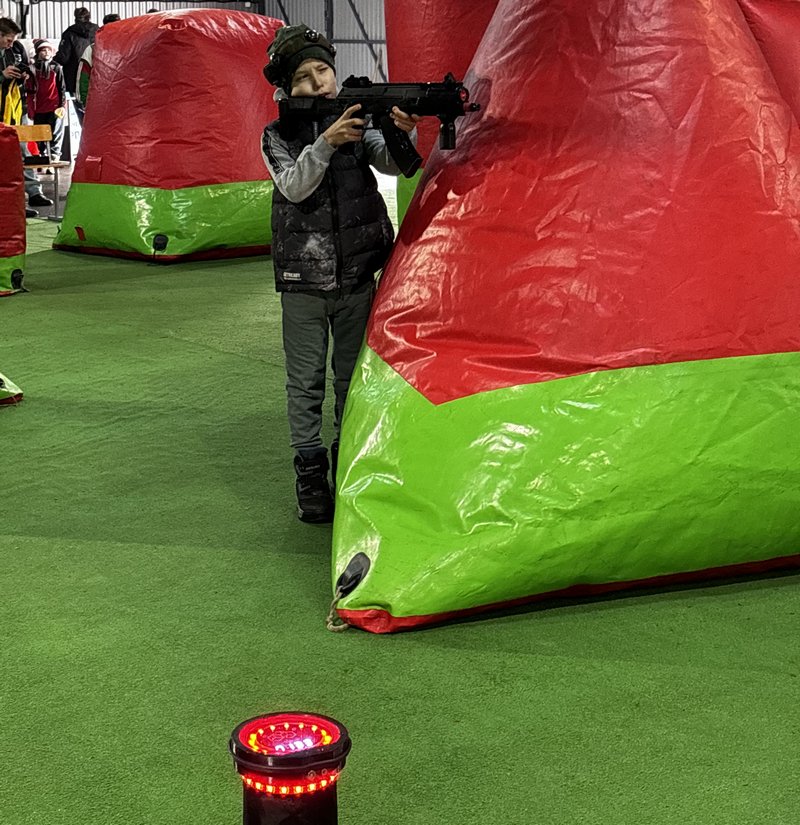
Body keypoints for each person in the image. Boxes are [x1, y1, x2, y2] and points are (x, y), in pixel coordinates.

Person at [261, 24, 420, 523]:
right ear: (286, 88)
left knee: (352, 381)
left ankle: (346, 459)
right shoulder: (276, 135)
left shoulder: (355, 120)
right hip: (303, 285)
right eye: (304, 78)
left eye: (323, 72)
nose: (319, 84)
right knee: (306, 382)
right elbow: (294, 186)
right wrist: (326, 143)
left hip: (357, 278)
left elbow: (392, 164)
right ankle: (310, 471)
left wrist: (399, 129)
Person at [0, 17, 53, 217]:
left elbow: (24, 69)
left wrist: (23, 76)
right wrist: (2, 75)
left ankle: (31, 194)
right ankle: (11, 203)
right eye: (8, 40)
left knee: (21, 152)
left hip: (15, 110)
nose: (11, 44)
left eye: (13, 40)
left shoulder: (15, 49)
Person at [53, 7, 98, 123]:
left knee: (83, 116)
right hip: (98, 79)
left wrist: (52, 60)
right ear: (89, 17)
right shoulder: (98, 32)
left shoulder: (69, 33)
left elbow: (63, 58)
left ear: (75, 17)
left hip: (75, 80)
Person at [26, 39, 66, 163]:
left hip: (54, 105)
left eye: (49, 50)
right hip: (38, 106)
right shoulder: (32, 68)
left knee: (56, 131)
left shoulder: (56, 67)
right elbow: (29, 89)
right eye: (43, 50)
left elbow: (62, 87)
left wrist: (62, 105)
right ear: (38, 52)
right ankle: (41, 154)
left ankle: (54, 154)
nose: (47, 52)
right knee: (39, 132)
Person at [76, 13, 120, 106]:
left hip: (121, 102)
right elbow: (83, 77)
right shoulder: (92, 49)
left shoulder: (129, 48)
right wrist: (85, 101)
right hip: (100, 103)